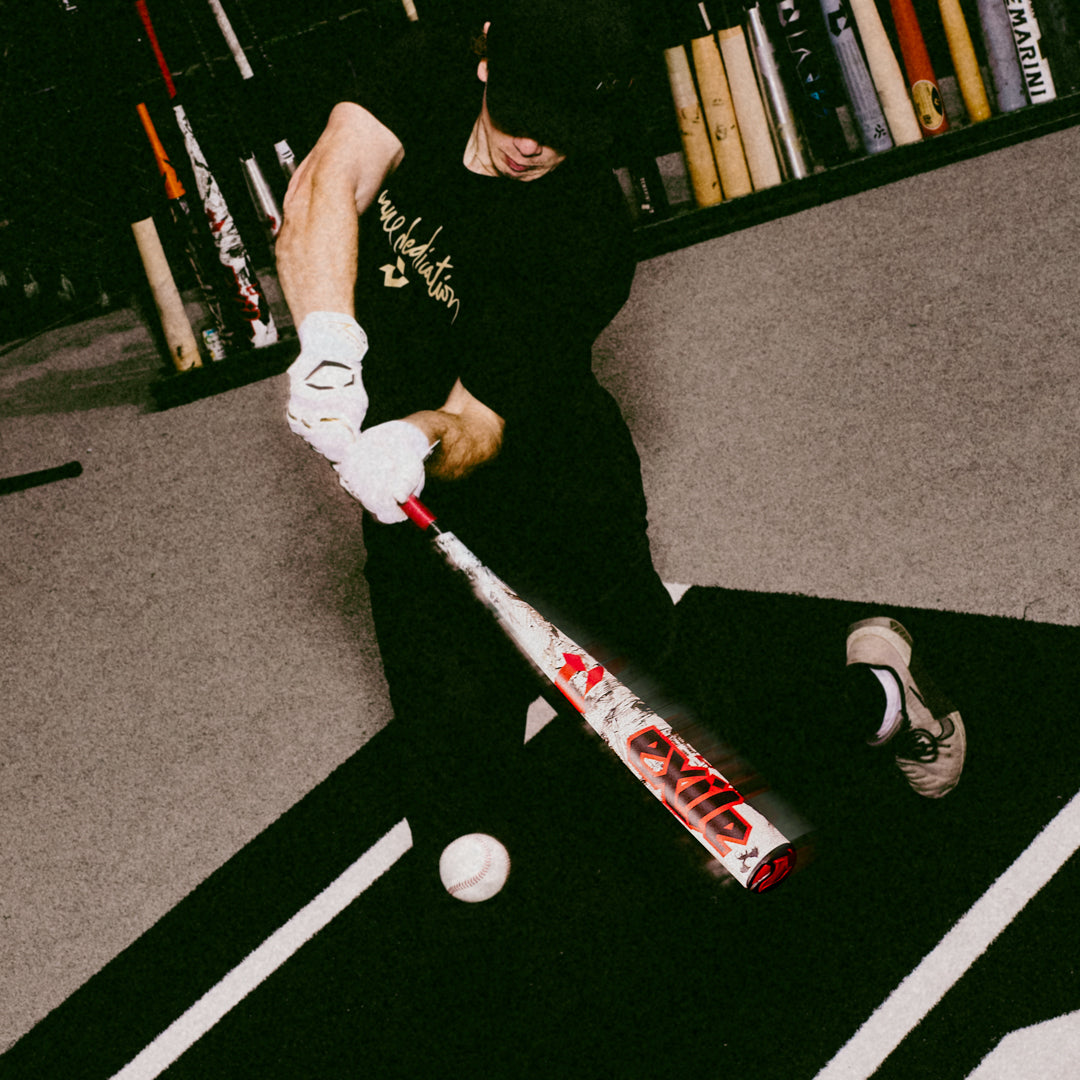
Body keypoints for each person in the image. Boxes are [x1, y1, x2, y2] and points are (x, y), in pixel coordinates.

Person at [276, 2, 966, 872]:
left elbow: (477, 423)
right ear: (486, 61)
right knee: (449, 786)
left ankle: (876, 697)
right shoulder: (422, 68)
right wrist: (330, 347)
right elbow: (325, 185)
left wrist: (407, 442)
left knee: (680, 737)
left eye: (564, 132)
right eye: (524, 117)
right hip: (405, 506)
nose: (535, 148)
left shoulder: (586, 233)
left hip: (554, 487)